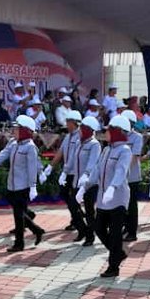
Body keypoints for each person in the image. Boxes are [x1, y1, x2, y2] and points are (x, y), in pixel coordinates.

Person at [0, 114, 45, 252]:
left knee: (18, 215)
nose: (13, 131)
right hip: (12, 184)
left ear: (25, 130)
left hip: (23, 186)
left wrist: (33, 186)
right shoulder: (14, 144)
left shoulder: (30, 147)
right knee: (18, 212)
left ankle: (19, 243)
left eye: (17, 128)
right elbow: (3, 155)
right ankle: (36, 230)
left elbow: (33, 166)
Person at [80, 115, 133, 277]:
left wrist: (112, 188)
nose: (106, 133)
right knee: (99, 228)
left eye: (109, 130)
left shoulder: (125, 150)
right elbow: (96, 170)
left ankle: (113, 267)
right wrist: (85, 187)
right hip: (104, 198)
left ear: (117, 132)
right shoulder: (106, 149)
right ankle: (118, 254)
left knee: (116, 233)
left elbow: (121, 171)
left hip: (117, 198)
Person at [41, 110, 84, 233]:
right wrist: (50, 167)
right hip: (67, 171)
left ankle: (77, 220)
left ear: (75, 123)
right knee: (65, 195)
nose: (66, 124)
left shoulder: (80, 137)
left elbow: (73, 156)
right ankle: (77, 216)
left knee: (73, 198)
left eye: (68, 122)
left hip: (76, 173)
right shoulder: (68, 136)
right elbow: (61, 152)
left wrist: (65, 171)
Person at [73, 116, 102, 246]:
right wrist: (64, 172)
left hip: (89, 183)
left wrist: (85, 175)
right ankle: (84, 230)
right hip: (77, 181)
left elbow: (93, 162)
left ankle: (90, 236)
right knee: (74, 207)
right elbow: (73, 160)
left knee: (89, 210)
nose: (79, 130)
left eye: (82, 128)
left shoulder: (94, 144)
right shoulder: (79, 142)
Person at [122, 109, 144, 242]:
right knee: (122, 204)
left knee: (131, 205)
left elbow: (135, 157)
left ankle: (132, 232)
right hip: (121, 177)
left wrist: (123, 171)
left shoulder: (137, 137)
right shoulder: (119, 136)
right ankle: (126, 225)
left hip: (132, 176)